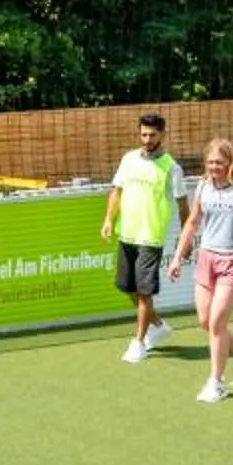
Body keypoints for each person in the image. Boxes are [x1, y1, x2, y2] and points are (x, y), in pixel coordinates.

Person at [166, 138, 233, 403]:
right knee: (206, 321)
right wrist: (177, 257)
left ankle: (217, 382)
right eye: (211, 162)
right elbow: (192, 222)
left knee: (217, 322)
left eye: (219, 163)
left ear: (230, 162)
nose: (214, 167)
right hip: (206, 259)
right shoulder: (203, 186)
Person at [98, 112, 179, 362]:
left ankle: (139, 342)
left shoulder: (171, 168)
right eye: (143, 134)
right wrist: (109, 220)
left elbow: (184, 205)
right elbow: (116, 191)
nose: (147, 139)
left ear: (162, 134)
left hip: (150, 238)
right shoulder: (128, 159)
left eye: (152, 135)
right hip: (127, 234)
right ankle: (158, 326)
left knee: (144, 293)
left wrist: (185, 240)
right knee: (128, 288)